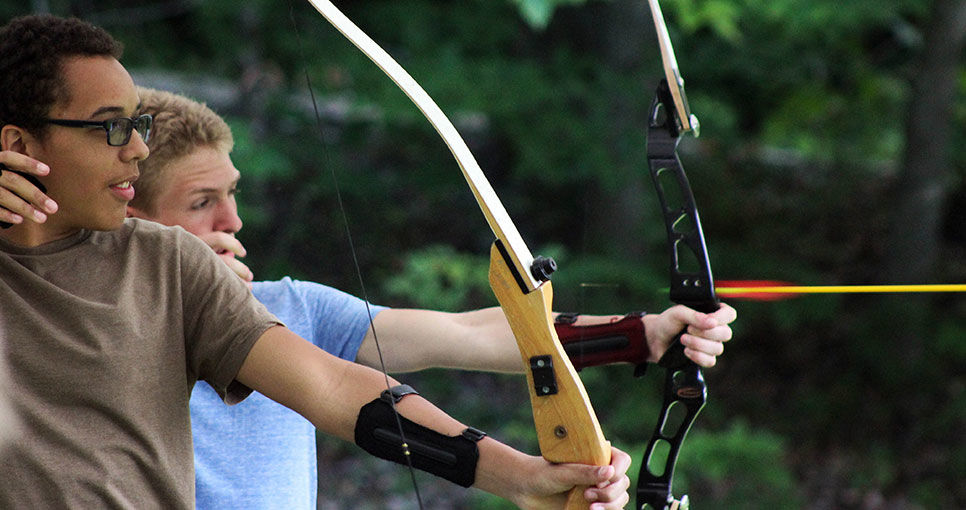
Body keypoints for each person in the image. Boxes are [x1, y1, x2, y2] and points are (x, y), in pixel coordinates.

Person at [0, 14, 634, 509]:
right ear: (20, 144)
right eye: (110, 127)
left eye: (137, 123)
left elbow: (334, 389)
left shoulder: (165, 263)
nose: (137, 148)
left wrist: (519, 475)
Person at [120, 87, 736, 509]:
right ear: (136, 219)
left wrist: (644, 334)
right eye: (202, 203)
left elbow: (471, 334)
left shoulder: (293, 308)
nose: (234, 220)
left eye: (231, 194)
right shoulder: (96, 327)